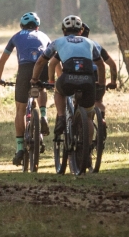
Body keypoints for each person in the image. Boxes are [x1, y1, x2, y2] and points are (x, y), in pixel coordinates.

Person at [31, 15, 105, 148]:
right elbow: (101, 65)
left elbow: (41, 61)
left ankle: (61, 117)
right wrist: (101, 83)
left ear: (63, 30)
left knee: (59, 91)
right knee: (88, 117)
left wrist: (35, 79)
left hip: (67, 79)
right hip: (88, 81)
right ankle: (86, 152)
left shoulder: (57, 42)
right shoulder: (90, 43)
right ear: (81, 30)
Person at [0, 12, 51, 166]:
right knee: (41, 88)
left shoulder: (16, 36)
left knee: (20, 110)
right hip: (42, 68)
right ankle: (44, 115)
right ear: (37, 26)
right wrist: (54, 79)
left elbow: (2, 60)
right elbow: (54, 59)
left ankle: (20, 148)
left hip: (25, 70)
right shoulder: (44, 36)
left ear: (22, 25)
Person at [47, 23, 118, 135]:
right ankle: (101, 119)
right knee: (97, 101)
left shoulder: (67, 45)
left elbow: (54, 63)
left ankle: (73, 120)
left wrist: (57, 79)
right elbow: (112, 65)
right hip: (94, 75)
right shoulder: (95, 45)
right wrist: (111, 82)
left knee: (68, 92)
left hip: (73, 74)